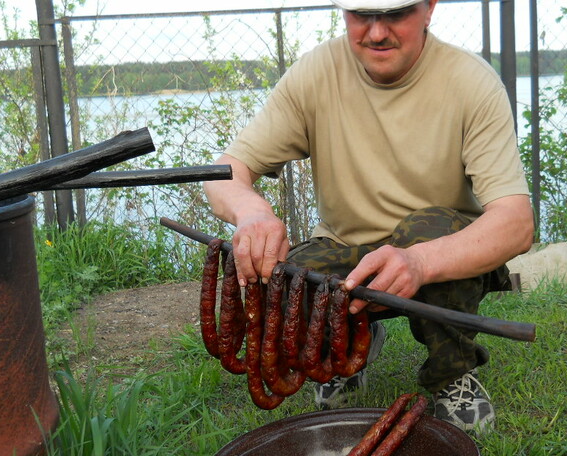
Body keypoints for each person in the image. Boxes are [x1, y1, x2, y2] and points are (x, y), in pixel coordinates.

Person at [204, 0, 534, 434]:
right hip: (346, 250)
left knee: (427, 231)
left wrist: (420, 262)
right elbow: (226, 171)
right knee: (288, 277)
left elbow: (516, 221)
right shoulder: (315, 73)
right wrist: (252, 213)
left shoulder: (471, 81)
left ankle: (452, 375)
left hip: (437, 251)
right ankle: (344, 351)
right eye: (362, 15)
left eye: (396, 13)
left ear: (429, 8)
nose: (377, 32)